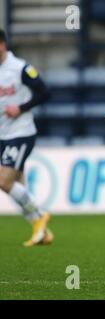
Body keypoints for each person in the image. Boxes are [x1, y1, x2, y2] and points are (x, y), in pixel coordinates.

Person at [0, 29, 53, 246]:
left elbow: (45, 92)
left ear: (2, 45)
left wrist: (21, 107)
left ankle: (40, 215)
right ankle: (42, 233)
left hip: (20, 132)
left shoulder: (20, 68)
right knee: (18, 185)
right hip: (4, 134)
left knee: (4, 181)